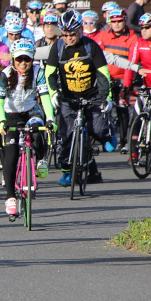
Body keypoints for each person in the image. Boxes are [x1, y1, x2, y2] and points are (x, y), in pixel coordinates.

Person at [45, 10, 112, 186]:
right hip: (68, 98)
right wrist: (53, 94)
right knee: (66, 136)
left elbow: (103, 74)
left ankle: (107, 132)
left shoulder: (91, 46)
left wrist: (107, 98)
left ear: (80, 30)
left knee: (96, 130)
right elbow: (49, 73)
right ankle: (67, 172)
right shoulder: (57, 47)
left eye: (72, 34)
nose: (69, 38)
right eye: (65, 34)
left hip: (92, 96)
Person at [0, 41, 56, 219]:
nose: (23, 63)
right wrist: (1, 121)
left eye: (27, 59)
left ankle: (40, 159)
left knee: (38, 129)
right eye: (19, 59)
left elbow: (45, 98)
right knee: (11, 155)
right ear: (13, 59)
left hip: (31, 111)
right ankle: (10, 198)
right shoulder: (6, 74)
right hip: (11, 114)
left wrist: (51, 119)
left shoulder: (38, 72)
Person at [94, 8, 137, 153]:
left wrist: (126, 84)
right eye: (114, 21)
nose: (117, 24)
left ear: (125, 20)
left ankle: (124, 141)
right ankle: (103, 137)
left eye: (119, 21)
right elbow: (97, 58)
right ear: (109, 22)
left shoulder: (132, 37)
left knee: (122, 109)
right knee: (100, 108)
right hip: (105, 77)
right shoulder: (102, 36)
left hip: (122, 78)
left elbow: (131, 62)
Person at [123, 13, 151, 111]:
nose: (143, 31)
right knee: (137, 117)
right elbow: (131, 64)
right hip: (148, 86)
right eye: (142, 28)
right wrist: (126, 85)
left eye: (147, 28)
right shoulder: (138, 42)